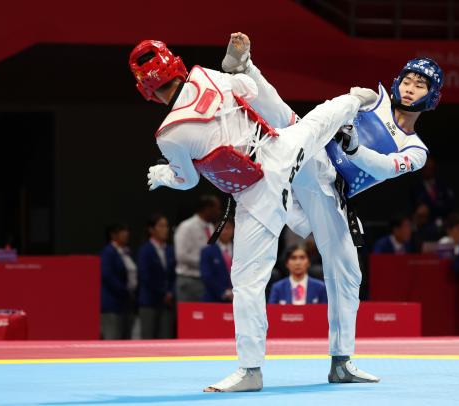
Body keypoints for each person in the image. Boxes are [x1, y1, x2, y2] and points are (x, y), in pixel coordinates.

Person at [130, 39, 376, 392]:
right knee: (315, 124)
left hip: (256, 194)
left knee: (247, 283)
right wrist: (232, 89)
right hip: (279, 152)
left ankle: (251, 371)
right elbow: (246, 87)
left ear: (147, 91)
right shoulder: (207, 77)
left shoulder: (170, 135)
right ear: (177, 67)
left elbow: (186, 181)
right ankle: (355, 99)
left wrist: (164, 176)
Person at [221, 33, 442, 388]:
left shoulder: (416, 149)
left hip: (329, 195)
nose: (411, 88)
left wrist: (354, 149)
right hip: (312, 161)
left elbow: (385, 168)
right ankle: (244, 68)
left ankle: (341, 362)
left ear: (431, 98)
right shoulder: (371, 99)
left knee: (348, 272)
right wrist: (353, 110)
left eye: (421, 86)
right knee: (290, 121)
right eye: (409, 80)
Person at [174, 195, 222, 302]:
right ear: (207, 209)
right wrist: (205, 263)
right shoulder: (186, 227)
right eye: (216, 209)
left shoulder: (211, 228)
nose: (219, 212)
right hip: (189, 280)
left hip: (207, 281)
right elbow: (181, 255)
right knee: (188, 317)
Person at [137, 213, 176, 339]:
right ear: (151, 229)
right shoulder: (145, 250)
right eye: (161, 226)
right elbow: (145, 276)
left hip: (166, 303)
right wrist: (163, 293)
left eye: (166, 226)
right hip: (149, 301)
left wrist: (170, 292)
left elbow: (173, 274)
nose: (165, 229)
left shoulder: (170, 249)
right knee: (148, 337)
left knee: (165, 337)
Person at [100, 223, 137, 339]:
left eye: (127, 231)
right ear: (113, 235)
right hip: (112, 304)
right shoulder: (108, 252)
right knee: (112, 337)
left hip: (126, 304)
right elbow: (107, 276)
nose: (126, 234)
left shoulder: (126, 252)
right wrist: (124, 290)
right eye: (122, 231)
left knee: (126, 339)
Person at [200, 219, 234, 302]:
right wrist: (224, 292)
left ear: (234, 229)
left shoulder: (241, 251)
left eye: (228, 228)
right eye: (222, 228)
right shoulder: (207, 251)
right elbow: (206, 276)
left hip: (238, 298)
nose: (225, 231)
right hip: (214, 299)